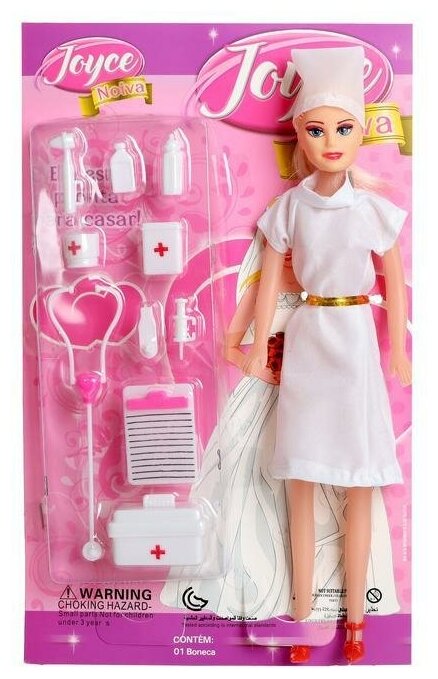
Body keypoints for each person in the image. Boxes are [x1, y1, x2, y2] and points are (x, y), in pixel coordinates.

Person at [242, 46, 411, 663]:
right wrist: (256, 343)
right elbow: (268, 284)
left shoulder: (372, 210)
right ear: (300, 136)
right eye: (316, 130)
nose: (330, 141)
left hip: (357, 339)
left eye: (343, 128)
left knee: (361, 481)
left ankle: (357, 619)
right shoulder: (290, 207)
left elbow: (395, 281)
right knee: (302, 478)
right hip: (310, 336)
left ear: (362, 132)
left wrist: (399, 350)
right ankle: (302, 609)